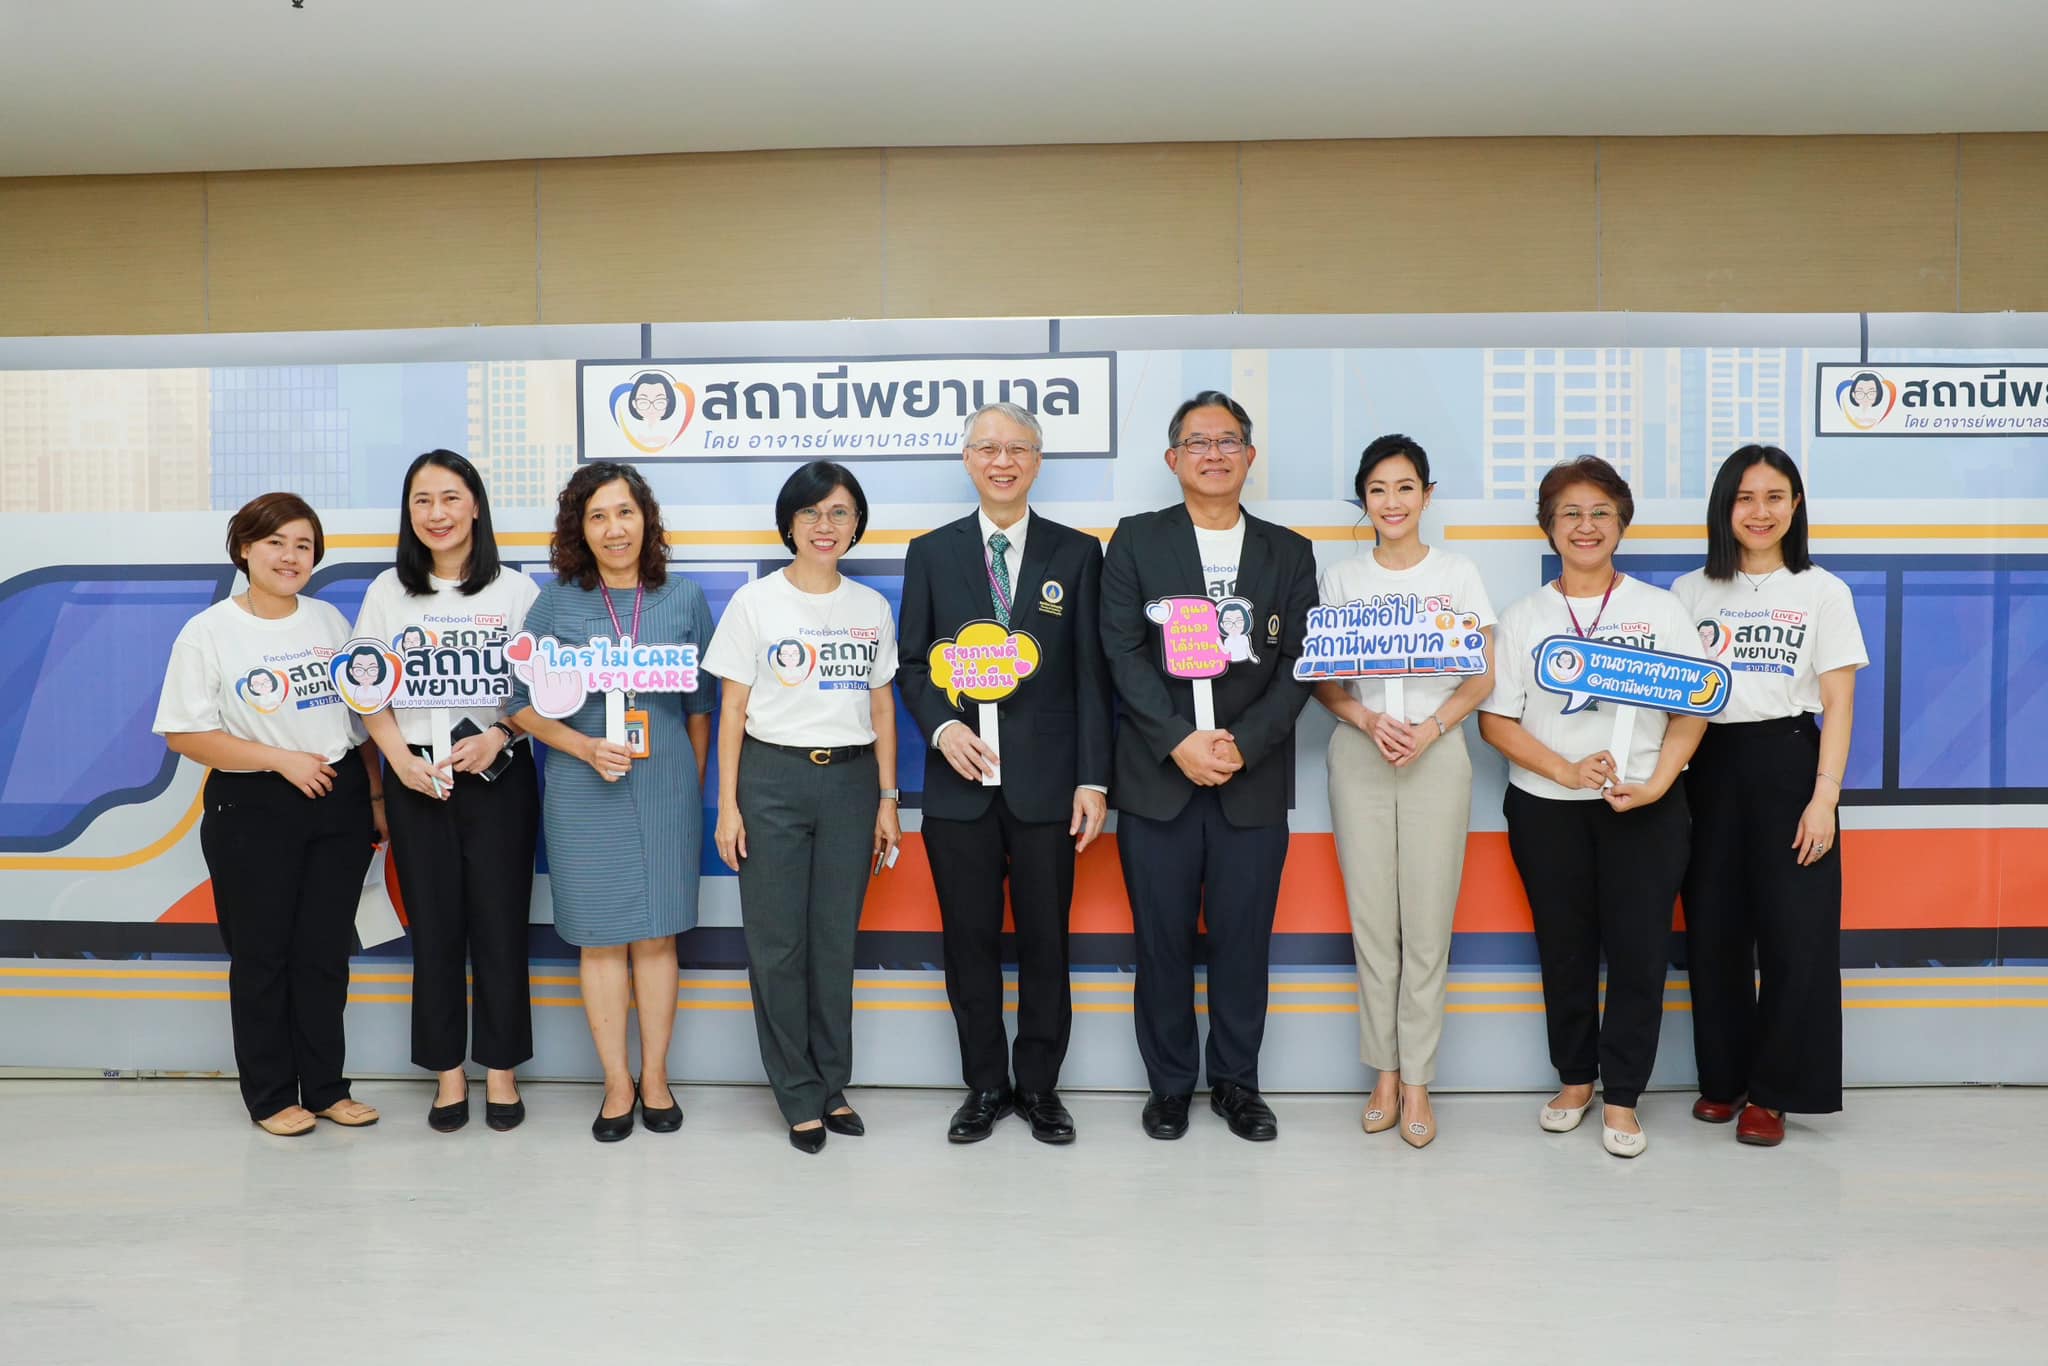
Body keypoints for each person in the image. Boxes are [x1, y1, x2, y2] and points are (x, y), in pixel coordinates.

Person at [1100, 390, 1317, 1143]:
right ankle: (1168, 1087)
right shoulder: (1134, 540)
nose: (1214, 454)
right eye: (1198, 442)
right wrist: (1178, 741)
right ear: (1173, 459)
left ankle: (1236, 1083)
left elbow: (1300, 665)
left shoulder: (1289, 551)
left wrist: (1242, 743)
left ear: (1250, 458)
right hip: (1159, 778)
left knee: (1242, 940)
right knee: (1158, 941)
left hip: (1251, 781)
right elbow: (1120, 652)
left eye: (1229, 441)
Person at [1477, 455, 1706, 1159]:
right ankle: (1576, 1080)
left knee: (1639, 954)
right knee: (1565, 949)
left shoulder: (1660, 610)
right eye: (1570, 513)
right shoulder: (1522, 618)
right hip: (1548, 808)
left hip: (1644, 806)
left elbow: (1695, 706)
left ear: (1622, 524)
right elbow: (1496, 721)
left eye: (1600, 512)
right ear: (1548, 528)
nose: (1586, 525)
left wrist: (1662, 781)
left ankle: (1625, 1097)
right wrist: (1567, 770)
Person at [897, 403, 1113, 1145]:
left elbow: (1092, 675)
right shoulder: (931, 552)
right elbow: (913, 663)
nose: (1002, 460)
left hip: (1051, 785)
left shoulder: (1077, 553)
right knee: (969, 941)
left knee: (1049, 940)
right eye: (987, 447)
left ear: (1037, 461)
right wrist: (945, 726)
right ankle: (986, 1085)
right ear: (966, 459)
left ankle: (1042, 1089)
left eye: (1017, 448)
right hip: (959, 785)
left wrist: (1094, 780)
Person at [153, 493, 384, 1136]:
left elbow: (358, 725)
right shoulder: (209, 631)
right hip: (252, 804)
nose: (290, 556)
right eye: (276, 542)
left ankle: (328, 1088)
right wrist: (281, 761)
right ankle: (272, 1096)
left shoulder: (329, 622)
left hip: (334, 797)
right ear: (245, 549)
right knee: (263, 957)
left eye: (304, 545)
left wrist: (373, 799)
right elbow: (184, 734)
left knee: (324, 953)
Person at [510, 462, 716, 1142]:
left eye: (624, 512)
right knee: (600, 941)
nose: (613, 528)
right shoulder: (557, 602)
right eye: (597, 516)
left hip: (663, 788)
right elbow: (518, 706)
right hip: (581, 786)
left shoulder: (682, 599)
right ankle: (616, 1084)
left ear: (645, 520)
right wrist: (580, 746)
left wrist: (690, 781)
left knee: (657, 936)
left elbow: (699, 709)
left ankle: (655, 1077)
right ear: (580, 529)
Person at [704, 461, 902, 1154]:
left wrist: (886, 798)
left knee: (833, 942)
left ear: (856, 525)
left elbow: (881, 705)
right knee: (778, 944)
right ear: (789, 523)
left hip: (850, 784)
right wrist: (727, 806)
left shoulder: (870, 608)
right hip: (772, 779)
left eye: (841, 513)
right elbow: (730, 710)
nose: (826, 526)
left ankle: (831, 1082)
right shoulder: (755, 604)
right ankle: (795, 1090)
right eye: (813, 513)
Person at [1674, 445, 1867, 1147]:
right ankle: (1724, 1081)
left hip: (1791, 763)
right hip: (1707, 764)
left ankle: (1778, 1091)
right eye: (1746, 497)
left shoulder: (1822, 591)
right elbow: (1674, 700)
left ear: (1795, 506)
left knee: (1797, 935)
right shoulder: (1690, 593)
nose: (1760, 512)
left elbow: (1839, 706)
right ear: (1725, 507)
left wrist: (1825, 799)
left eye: (1775, 496)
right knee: (1715, 932)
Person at [1311, 434, 1494, 1149]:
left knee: (1426, 924)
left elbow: (1480, 674)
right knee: (1372, 924)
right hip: (1360, 753)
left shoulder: (1458, 572)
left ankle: (1418, 1077)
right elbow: (1325, 678)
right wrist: (1365, 719)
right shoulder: (1344, 579)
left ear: (1427, 494)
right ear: (1364, 498)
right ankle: (1382, 1071)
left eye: (1405, 487)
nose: (1392, 501)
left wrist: (1433, 726)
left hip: (1438, 752)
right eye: (1379, 489)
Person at [353, 449, 541, 1133]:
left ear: (476, 506)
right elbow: (365, 685)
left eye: (451, 497)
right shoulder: (387, 594)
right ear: (409, 514)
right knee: (435, 931)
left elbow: (536, 692)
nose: (437, 513)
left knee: (499, 927)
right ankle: (447, 1075)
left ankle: (501, 1072)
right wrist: (397, 757)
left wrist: (502, 734)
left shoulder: (516, 592)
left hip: (498, 776)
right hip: (416, 778)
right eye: (422, 501)